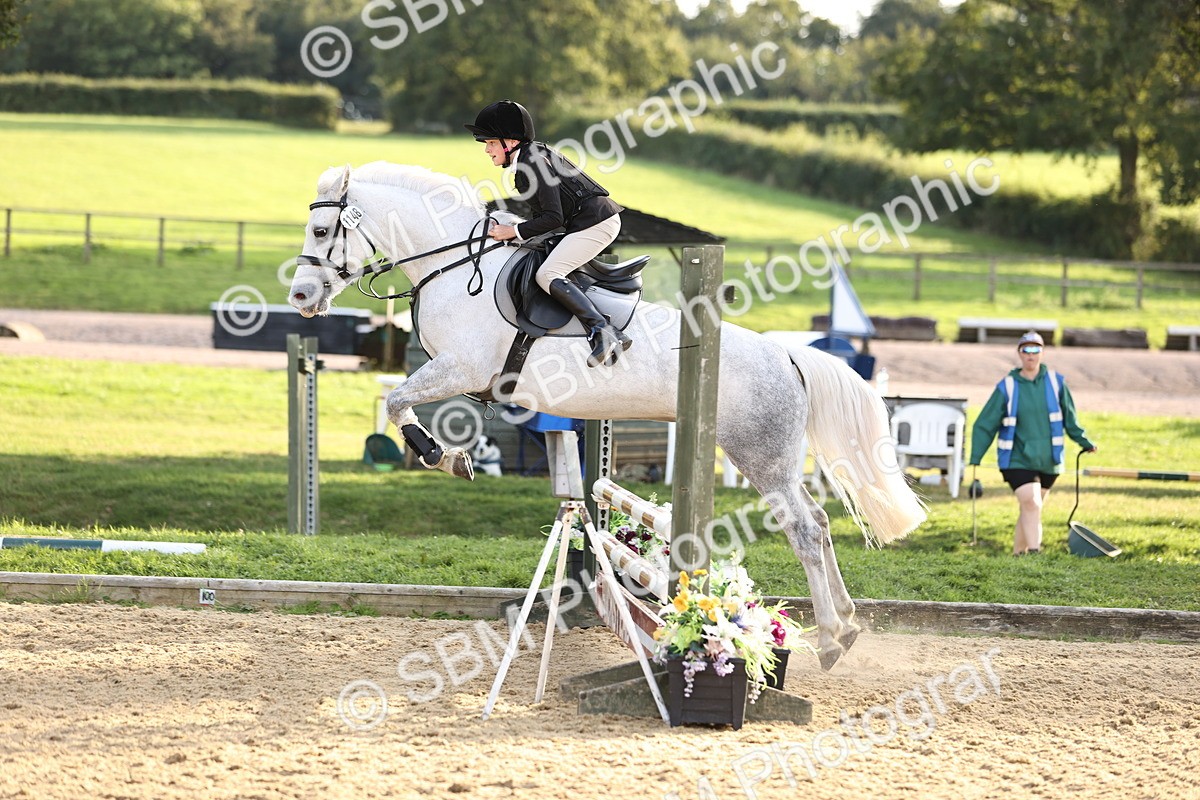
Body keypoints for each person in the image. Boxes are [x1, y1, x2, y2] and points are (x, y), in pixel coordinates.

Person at [465, 99, 632, 368]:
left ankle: (604, 331)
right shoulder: (529, 157)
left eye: (491, 143)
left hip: (596, 223)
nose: (487, 150)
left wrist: (514, 231)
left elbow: (552, 218)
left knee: (547, 274)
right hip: (585, 222)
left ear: (510, 141)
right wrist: (517, 233)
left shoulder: (533, 162)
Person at [968, 331, 1097, 555]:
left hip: (1049, 460)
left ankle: (1018, 555)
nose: (1031, 354)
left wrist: (1083, 441)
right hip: (1016, 459)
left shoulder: (1056, 383)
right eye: (1026, 349)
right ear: (1019, 353)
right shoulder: (1007, 386)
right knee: (1032, 504)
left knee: (1030, 509)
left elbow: (1070, 418)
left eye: (1036, 349)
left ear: (1042, 353)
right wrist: (976, 457)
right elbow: (985, 423)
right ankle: (1035, 554)